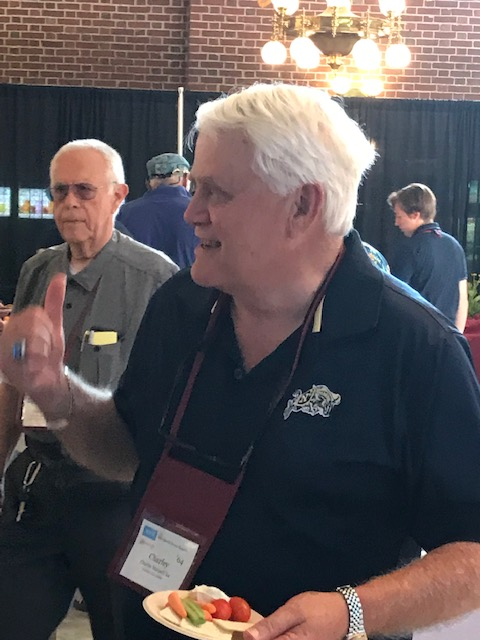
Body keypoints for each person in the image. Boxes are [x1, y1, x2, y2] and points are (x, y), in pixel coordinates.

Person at [1, 85, 480, 640]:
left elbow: (471, 554)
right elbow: (123, 450)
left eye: (216, 192)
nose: (192, 213)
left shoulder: (416, 349)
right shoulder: (182, 304)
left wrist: (353, 612)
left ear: (303, 205)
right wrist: (56, 392)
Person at [0, 139, 178, 640]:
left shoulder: (156, 280)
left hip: (113, 501)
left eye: (84, 190)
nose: (69, 203)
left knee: (121, 629)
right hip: (37, 489)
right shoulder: (37, 271)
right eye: (59, 192)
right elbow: (13, 386)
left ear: (119, 195)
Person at [388, 183, 468, 331]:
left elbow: (394, 299)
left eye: (399, 216)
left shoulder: (409, 249)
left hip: (417, 336)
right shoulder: (454, 246)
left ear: (415, 215)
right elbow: (462, 299)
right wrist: (457, 337)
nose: (396, 223)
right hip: (448, 336)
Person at [117, 152, 198, 268]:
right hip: (189, 279)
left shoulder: (124, 212)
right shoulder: (198, 210)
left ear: (148, 183)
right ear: (185, 179)